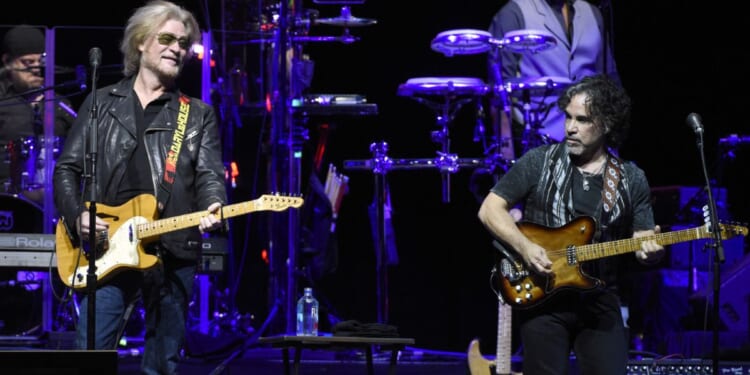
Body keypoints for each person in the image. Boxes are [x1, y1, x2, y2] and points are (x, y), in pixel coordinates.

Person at [53, 1, 226, 373]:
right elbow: (66, 169)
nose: (177, 48)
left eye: (183, 43)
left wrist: (214, 203)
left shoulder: (196, 113)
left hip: (173, 247)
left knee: (162, 363)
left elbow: (211, 173)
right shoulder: (101, 103)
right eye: (167, 38)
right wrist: (77, 215)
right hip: (106, 248)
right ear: (141, 42)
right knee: (91, 355)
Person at [477, 74, 664, 374]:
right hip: (544, 300)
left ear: (606, 124)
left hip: (600, 301)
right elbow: (490, 209)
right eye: (567, 117)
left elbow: (643, 240)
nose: (570, 127)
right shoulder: (539, 161)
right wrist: (525, 247)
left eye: (582, 120)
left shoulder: (630, 178)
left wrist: (650, 251)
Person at [487, 0, 620, 158]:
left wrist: (612, 143)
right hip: (537, 139)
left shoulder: (592, 13)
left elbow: (611, 82)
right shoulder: (514, 12)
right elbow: (499, 90)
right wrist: (506, 152)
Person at [0, 24, 75, 203]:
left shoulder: (61, 105)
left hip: (55, 202)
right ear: (8, 62)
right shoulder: (2, 102)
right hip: (6, 202)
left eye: (40, 62)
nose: (36, 68)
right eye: (27, 63)